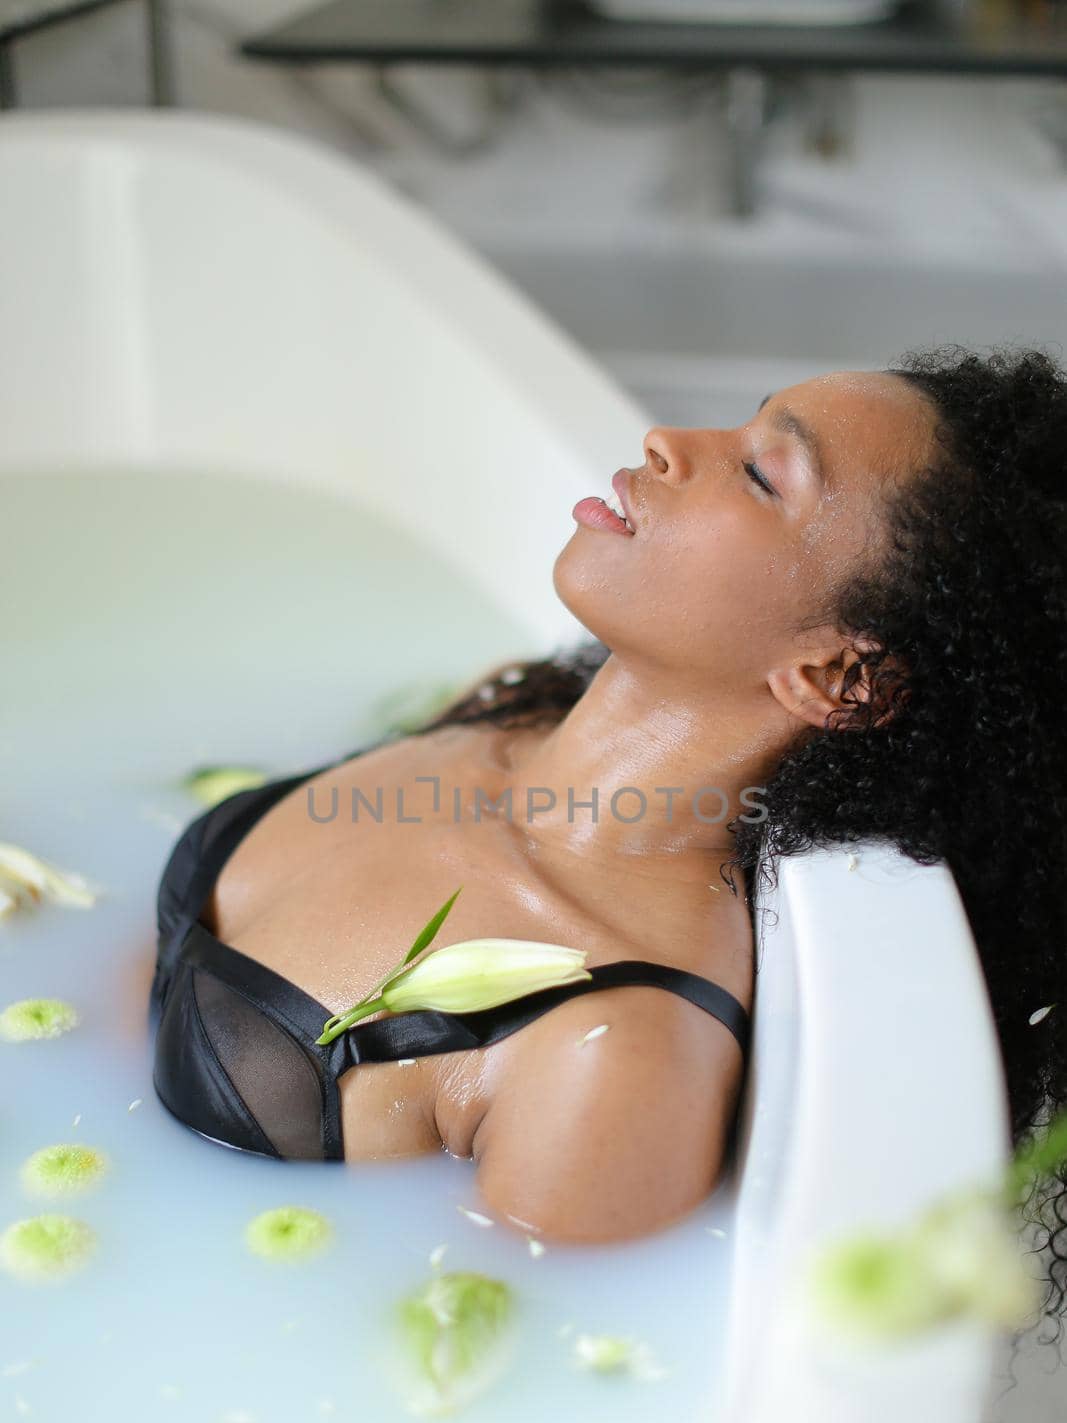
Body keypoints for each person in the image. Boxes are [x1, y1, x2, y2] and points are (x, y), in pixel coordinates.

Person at [150, 345, 1067, 1331]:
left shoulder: (612, 1048)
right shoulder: (501, 716)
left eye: (762, 473)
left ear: (836, 677)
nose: (667, 442)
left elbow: (480, 1375)